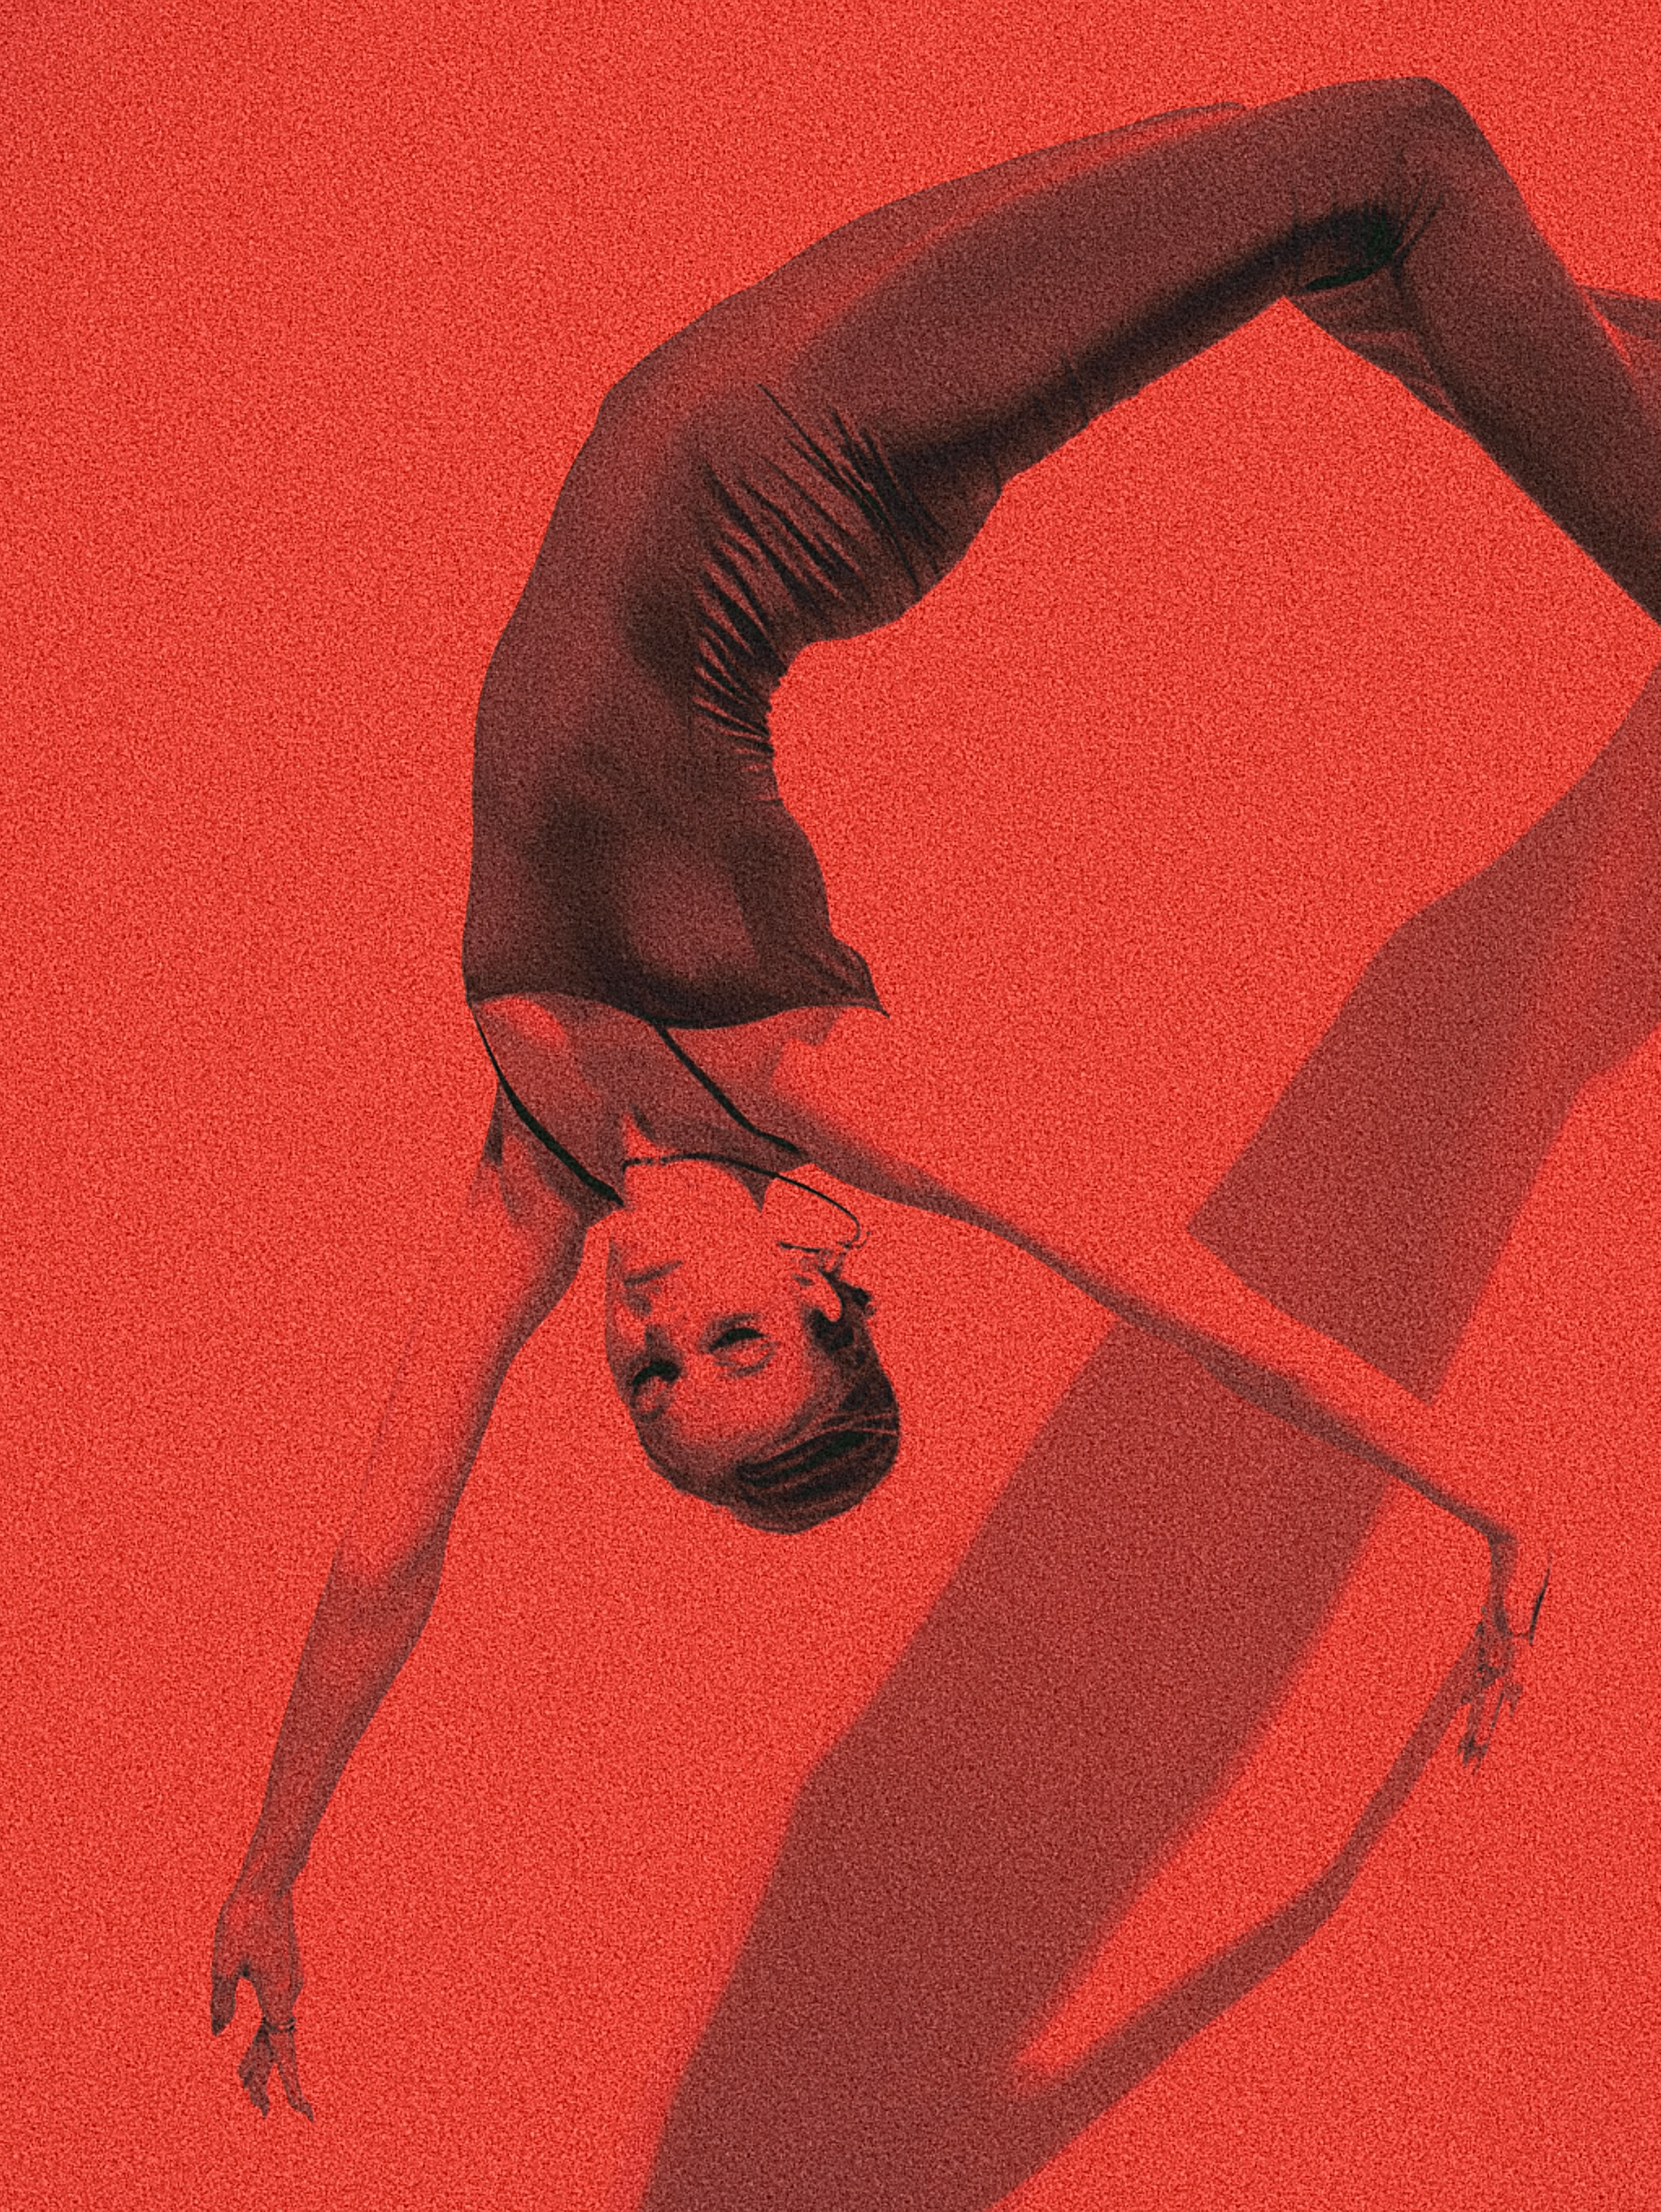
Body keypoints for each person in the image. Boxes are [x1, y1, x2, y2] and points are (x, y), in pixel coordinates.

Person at [211, 78, 1656, 2119]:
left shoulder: (536, 1167)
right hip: (835, 443)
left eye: (649, 1385)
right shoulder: (806, 1083)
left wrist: (273, 1870)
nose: (653, 1332)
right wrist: (1484, 1489)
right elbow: (1174, 1294)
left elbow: (387, 1552)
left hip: (727, 382)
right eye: (732, 1347)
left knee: (1307, 221)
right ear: (821, 1273)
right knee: (1391, 157)